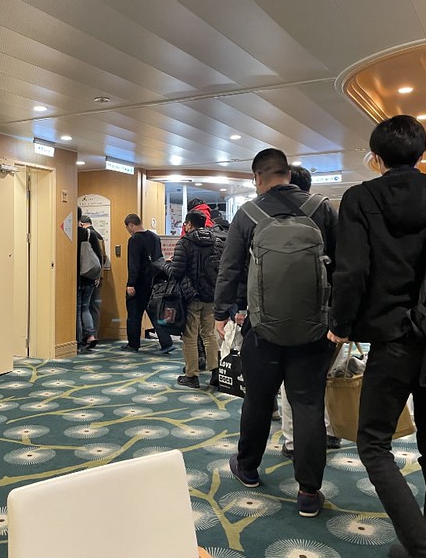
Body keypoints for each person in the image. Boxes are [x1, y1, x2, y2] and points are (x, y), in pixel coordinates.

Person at [327, 115, 426, 558]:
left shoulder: (360, 197)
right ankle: (424, 542)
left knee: (373, 443)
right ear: (422, 153)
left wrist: (340, 324)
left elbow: (351, 270)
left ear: (375, 158)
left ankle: (421, 548)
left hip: (392, 340)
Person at [214, 148, 337, 518]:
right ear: (287, 173)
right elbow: (346, 267)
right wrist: (341, 322)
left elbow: (230, 267)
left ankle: (248, 468)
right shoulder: (322, 210)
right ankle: (309, 493)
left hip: (262, 331)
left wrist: (222, 313)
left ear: (257, 178)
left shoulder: (248, 213)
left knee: (258, 400)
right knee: (308, 405)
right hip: (315, 332)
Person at [281, 165, 342, 455]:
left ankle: (293, 441)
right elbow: (343, 262)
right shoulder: (325, 210)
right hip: (323, 310)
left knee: (288, 383)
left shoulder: (267, 211)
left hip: (280, 312)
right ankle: (330, 430)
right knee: (322, 375)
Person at [160, 210, 222, 389]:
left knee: (190, 336)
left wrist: (166, 265)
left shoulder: (185, 243)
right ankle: (215, 372)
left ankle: (192, 375)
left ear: (188, 224)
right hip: (211, 294)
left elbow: (177, 272)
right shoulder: (216, 241)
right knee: (209, 334)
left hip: (190, 295)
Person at [123, 213, 173, 353]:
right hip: (154, 282)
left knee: (134, 314)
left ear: (131, 225)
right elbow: (159, 259)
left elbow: (133, 264)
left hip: (139, 283)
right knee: (154, 313)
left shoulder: (134, 240)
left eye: (128, 228)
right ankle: (166, 342)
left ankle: (133, 344)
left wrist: (130, 283)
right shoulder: (154, 237)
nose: (128, 230)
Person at [77, 208, 102, 349]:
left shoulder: (69, 235)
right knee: (86, 307)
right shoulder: (89, 234)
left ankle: (79, 339)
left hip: (75, 278)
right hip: (89, 277)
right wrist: (97, 276)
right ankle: (91, 335)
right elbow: (99, 257)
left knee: (77, 309)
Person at [80, 214, 106, 338]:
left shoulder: (86, 234)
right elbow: (102, 257)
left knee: (85, 307)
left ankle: (88, 335)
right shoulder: (99, 235)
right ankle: (94, 334)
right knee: (93, 306)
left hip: (85, 276)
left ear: (82, 223)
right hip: (95, 274)